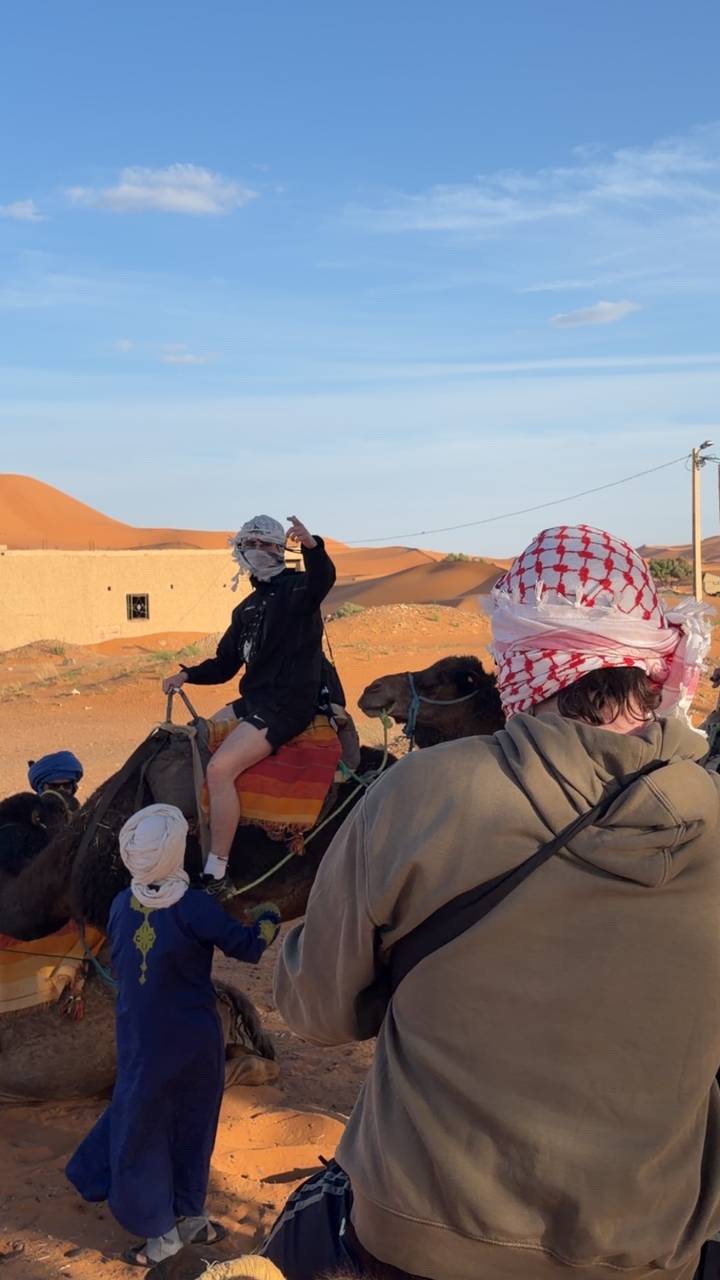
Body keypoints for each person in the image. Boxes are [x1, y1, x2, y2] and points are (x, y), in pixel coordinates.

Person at [262, 525, 720, 1280]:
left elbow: (318, 1012)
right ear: (649, 665)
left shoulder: (417, 794)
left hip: (422, 1238)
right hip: (652, 1251)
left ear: (518, 657)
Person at [65, 803, 281, 1269]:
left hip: (142, 1040)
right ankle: (172, 1232)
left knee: (145, 1124)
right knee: (191, 1124)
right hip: (195, 1040)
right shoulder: (196, 907)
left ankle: (179, 1226)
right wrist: (267, 919)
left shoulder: (121, 905)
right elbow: (248, 948)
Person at [162, 514, 336, 883]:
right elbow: (225, 664)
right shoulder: (246, 609)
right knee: (199, 738)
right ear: (240, 550)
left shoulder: (299, 591)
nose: (258, 550)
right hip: (254, 701)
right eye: (251, 544)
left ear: (281, 550)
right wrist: (187, 675)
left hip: (288, 704)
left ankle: (217, 867)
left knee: (219, 769)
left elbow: (322, 580)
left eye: (266, 544)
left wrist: (313, 547)